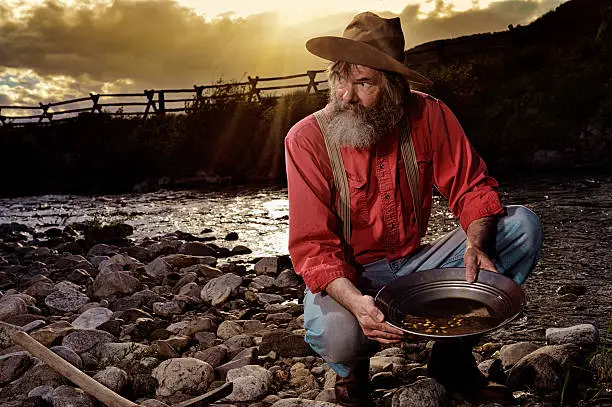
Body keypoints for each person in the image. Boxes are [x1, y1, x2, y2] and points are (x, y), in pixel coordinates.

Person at [284, 11, 543, 407]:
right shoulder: (304, 140)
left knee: (522, 226)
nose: (346, 95)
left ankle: (452, 360)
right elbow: (314, 246)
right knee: (339, 338)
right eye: (341, 79)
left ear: (393, 86)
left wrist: (477, 244)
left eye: (364, 82)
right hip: (349, 278)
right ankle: (353, 371)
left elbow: (472, 188)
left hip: (413, 267)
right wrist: (356, 303)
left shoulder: (431, 114)